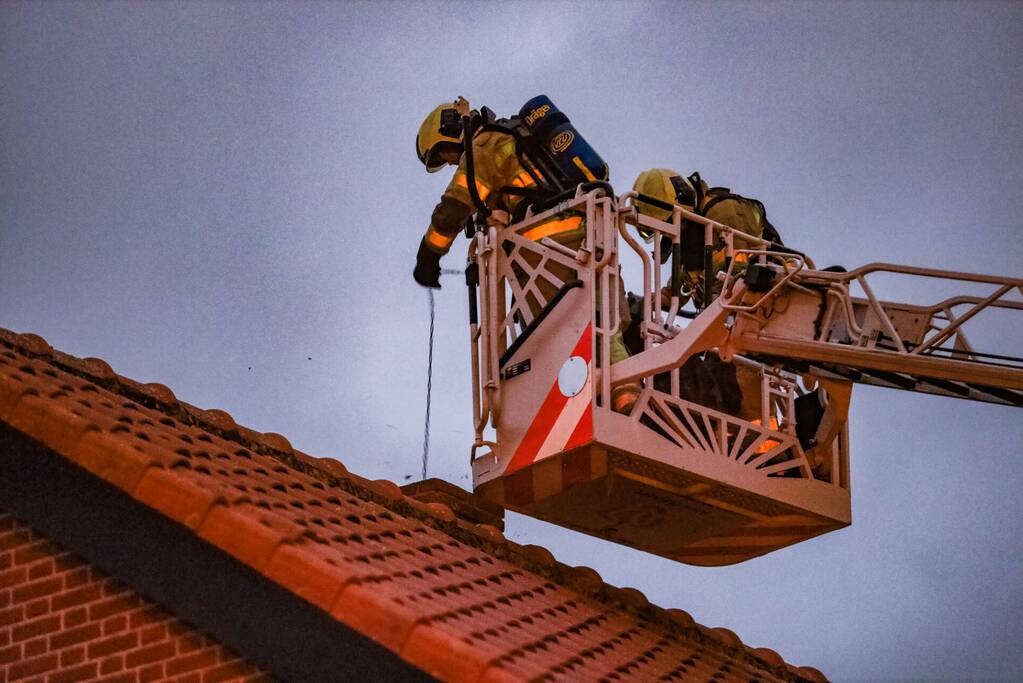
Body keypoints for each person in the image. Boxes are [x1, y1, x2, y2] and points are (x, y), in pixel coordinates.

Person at [413, 98, 639, 412]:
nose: (452, 162)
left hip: (545, 248)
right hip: (592, 235)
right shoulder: (517, 140)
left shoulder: (483, 145)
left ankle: (581, 407)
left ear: (451, 131)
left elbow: (453, 208)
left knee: (559, 331)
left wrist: (428, 257)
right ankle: (625, 391)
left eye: (447, 153)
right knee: (602, 319)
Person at [629, 167, 785, 420]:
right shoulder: (689, 232)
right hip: (725, 323)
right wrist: (642, 306)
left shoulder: (723, 215)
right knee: (714, 374)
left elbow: (745, 282)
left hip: (757, 315)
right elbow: (679, 290)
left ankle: (762, 441)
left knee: (743, 377)